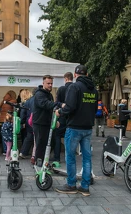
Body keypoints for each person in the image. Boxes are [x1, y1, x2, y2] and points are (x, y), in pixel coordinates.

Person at [54, 65, 98, 197]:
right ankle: (85, 187)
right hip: (88, 128)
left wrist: (59, 112)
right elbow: (95, 109)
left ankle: (71, 184)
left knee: (70, 156)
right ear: (87, 74)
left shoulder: (74, 87)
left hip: (74, 127)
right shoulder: (94, 90)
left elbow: (70, 107)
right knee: (86, 158)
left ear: (75, 75)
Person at [32, 75, 62, 164]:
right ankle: (39, 163)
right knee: (41, 144)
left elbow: (51, 109)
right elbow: (45, 104)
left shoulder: (49, 95)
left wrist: (55, 120)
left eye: (51, 83)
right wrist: (59, 104)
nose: (50, 85)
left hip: (47, 123)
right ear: (43, 83)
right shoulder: (39, 94)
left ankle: (44, 161)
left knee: (51, 143)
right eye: (48, 83)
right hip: (39, 123)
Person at [53, 72, 73, 162]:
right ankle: (69, 158)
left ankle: (57, 158)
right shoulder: (76, 88)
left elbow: (56, 103)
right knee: (69, 138)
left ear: (65, 79)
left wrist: (61, 105)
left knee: (57, 136)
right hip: (72, 117)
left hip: (62, 116)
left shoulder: (61, 89)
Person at [0, 90, 17, 155]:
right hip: (9, 119)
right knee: (10, 135)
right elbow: (15, 111)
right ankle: (8, 150)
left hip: (2, 119)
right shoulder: (13, 101)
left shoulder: (3, 101)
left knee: (4, 136)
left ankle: (4, 150)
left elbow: (0, 110)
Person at [19, 89, 35, 159]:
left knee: (29, 137)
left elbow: (23, 114)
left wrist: (22, 122)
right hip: (35, 121)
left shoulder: (26, 103)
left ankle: (23, 152)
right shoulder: (34, 100)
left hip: (28, 121)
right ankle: (33, 153)